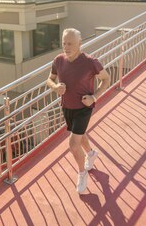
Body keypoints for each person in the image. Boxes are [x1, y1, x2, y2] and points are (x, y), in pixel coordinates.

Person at [47, 28, 110, 193]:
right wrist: (55, 87)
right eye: (64, 43)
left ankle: (82, 174)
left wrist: (94, 97)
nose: (66, 47)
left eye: (70, 43)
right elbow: (50, 79)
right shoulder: (58, 60)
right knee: (80, 135)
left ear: (80, 44)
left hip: (84, 107)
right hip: (67, 106)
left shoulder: (90, 62)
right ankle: (91, 153)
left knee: (73, 144)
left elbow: (106, 79)